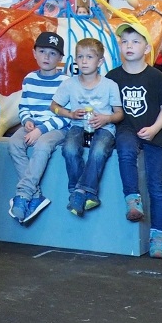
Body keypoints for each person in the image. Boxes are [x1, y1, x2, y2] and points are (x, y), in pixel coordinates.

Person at [108, 24, 162, 259]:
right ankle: (132, 199)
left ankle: (158, 236)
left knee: (157, 185)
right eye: (125, 42)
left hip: (156, 135)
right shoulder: (112, 76)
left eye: (135, 41)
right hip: (127, 128)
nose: (129, 46)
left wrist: (155, 128)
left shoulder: (156, 75)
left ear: (147, 48)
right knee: (125, 149)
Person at [53, 38, 123, 216]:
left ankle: (80, 192)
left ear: (99, 61)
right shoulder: (69, 84)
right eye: (80, 56)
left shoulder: (110, 85)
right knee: (69, 148)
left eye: (89, 57)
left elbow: (119, 114)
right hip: (78, 125)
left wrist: (106, 119)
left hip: (104, 128)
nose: (84, 61)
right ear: (75, 59)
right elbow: (53, 106)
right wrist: (70, 114)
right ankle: (82, 191)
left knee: (99, 150)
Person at [6, 29, 68, 225]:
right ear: (34, 53)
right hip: (33, 125)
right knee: (14, 143)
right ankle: (35, 194)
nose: (46, 57)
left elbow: (66, 116)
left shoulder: (65, 82)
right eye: (42, 51)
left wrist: (41, 130)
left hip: (55, 127)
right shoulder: (30, 79)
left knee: (42, 145)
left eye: (52, 53)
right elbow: (24, 106)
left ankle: (23, 195)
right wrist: (26, 120)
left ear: (60, 57)